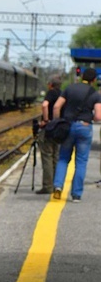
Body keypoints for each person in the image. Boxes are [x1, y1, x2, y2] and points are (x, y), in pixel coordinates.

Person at [52, 68, 101, 202]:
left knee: (63, 158)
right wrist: (90, 117)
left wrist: (57, 122)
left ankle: (57, 186)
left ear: (82, 76)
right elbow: (98, 116)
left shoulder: (70, 88)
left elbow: (56, 107)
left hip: (68, 126)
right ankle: (76, 195)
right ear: (94, 80)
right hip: (85, 128)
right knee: (81, 162)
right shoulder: (95, 94)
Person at [36, 77, 62, 194]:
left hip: (49, 129)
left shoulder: (51, 93)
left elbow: (45, 105)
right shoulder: (62, 94)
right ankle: (57, 184)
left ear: (50, 84)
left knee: (47, 156)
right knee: (56, 156)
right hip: (59, 129)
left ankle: (47, 186)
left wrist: (46, 120)